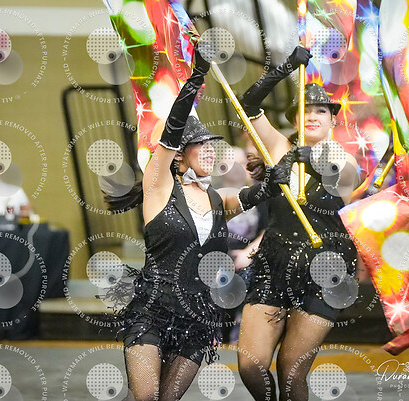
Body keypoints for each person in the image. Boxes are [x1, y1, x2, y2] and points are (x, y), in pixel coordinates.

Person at [104, 47, 291, 401]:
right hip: (154, 310)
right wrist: (195, 79)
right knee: (145, 397)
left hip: (197, 317)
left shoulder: (217, 199)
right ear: (179, 155)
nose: (209, 150)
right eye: (200, 145)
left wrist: (277, 178)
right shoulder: (159, 188)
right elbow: (170, 131)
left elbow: (255, 194)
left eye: (211, 145)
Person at [236, 46, 358, 401]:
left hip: (325, 269)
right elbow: (248, 103)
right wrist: (287, 66)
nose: (313, 115)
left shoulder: (344, 159)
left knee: (291, 370)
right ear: (295, 118)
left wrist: (314, 159)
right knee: (250, 365)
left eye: (322, 110)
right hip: (273, 264)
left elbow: (344, 178)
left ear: (333, 119)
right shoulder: (278, 147)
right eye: (306, 109)